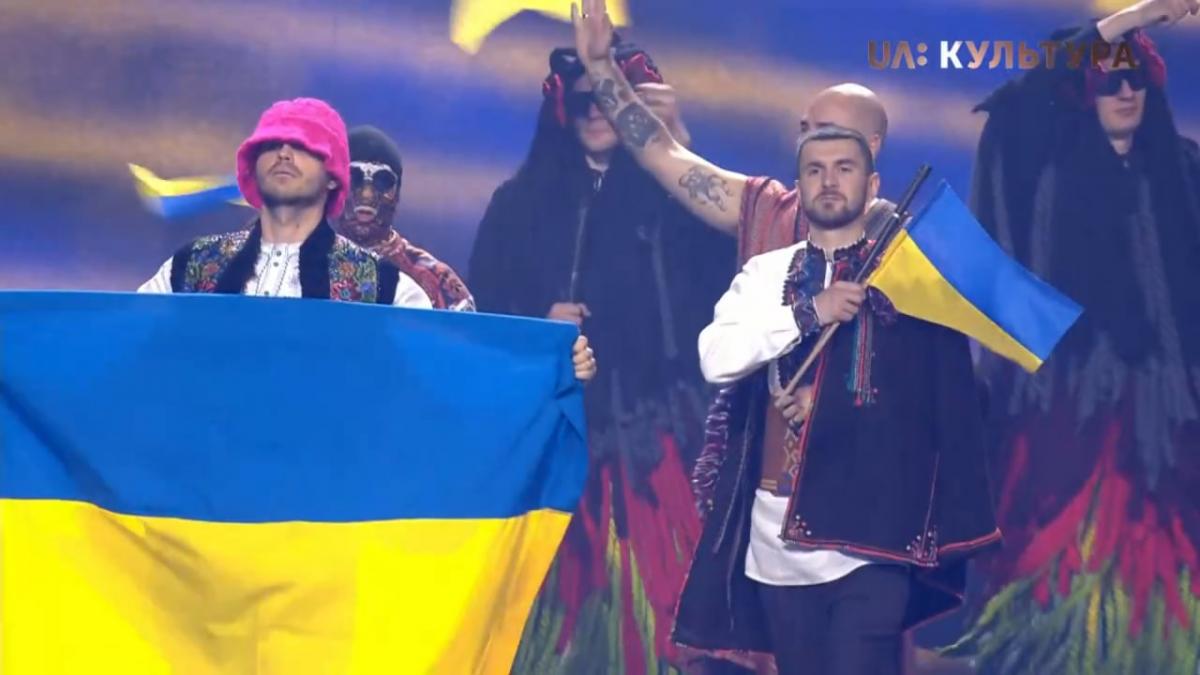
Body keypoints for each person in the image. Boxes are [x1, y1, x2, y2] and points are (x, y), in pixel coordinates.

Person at [669, 125, 1000, 675]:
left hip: (873, 536)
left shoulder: (911, 283)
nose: (829, 181)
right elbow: (717, 358)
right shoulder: (766, 274)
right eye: (815, 170)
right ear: (799, 185)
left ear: (872, 185)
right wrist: (810, 312)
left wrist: (831, 405)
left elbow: (946, 400)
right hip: (777, 542)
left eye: (844, 168)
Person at [467, 38, 735, 674]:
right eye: (582, 100)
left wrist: (678, 144)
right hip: (552, 441)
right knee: (553, 623)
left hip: (660, 441)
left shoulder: (676, 205)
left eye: (610, 99)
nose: (596, 113)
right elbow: (482, 319)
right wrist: (539, 325)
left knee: (663, 616)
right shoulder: (518, 205)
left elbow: (725, 287)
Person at [947, 0, 1200, 671]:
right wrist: (1133, 18)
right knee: (1061, 580)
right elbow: (1021, 98)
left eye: (1136, 78)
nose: (1125, 91)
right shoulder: (1043, 162)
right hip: (1065, 405)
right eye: (1109, 79)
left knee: (1169, 590)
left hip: (1172, 413)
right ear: (1084, 90)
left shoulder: (1183, 171)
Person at [135, 97, 599, 382]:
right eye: (271, 144)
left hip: (329, 497)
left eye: (303, 146)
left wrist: (552, 365)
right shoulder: (192, 266)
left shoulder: (389, 288)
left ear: (330, 176)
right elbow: (122, 342)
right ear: (250, 168)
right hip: (212, 494)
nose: (284, 153)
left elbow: (464, 372)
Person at [334, 125, 476, 311]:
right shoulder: (304, 264)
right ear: (333, 185)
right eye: (355, 178)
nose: (367, 195)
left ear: (397, 194)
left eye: (382, 181)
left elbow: (464, 330)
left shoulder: (438, 280)